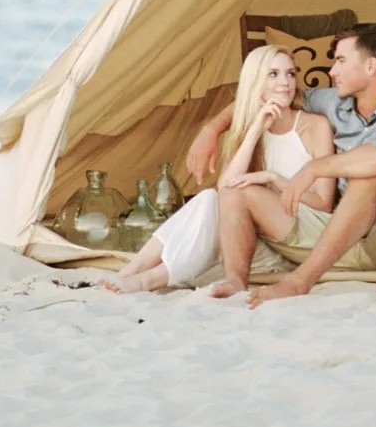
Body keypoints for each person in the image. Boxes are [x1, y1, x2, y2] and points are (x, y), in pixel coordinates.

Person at [186, 21, 376, 307]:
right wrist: (211, 129)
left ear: (371, 66)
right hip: (341, 232)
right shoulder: (334, 102)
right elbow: (268, 94)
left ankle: (298, 281)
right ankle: (235, 280)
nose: (331, 71)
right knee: (237, 190)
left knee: (369, 178)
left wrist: (314, 168)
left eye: (341, 61)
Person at [103, 46, 335, 293]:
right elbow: (225, 190)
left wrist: (272, 178)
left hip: (303, 235)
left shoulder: (315, 126)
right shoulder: (252, 130)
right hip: (264, 241)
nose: (285, 83)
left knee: (226, 198)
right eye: (273, 74)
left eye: (290, 73)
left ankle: (147, 280)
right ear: (255, 83)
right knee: (208, 198)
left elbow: (323, 204)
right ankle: (130, 271)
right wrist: (255, 130)